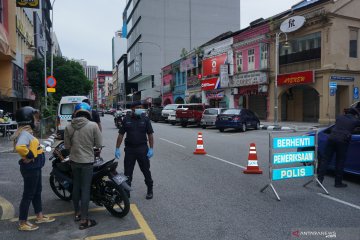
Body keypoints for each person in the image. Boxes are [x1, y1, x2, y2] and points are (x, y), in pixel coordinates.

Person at [12, 106, 55, 231]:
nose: (37, 122)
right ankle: (22, 222)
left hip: (35, 167)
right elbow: (20, 147)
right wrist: (30, 155)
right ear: (27, 119)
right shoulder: (25, 133)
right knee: (28, 194)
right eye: (35, 119)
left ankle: (39, 216)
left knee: (37, 192)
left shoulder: (27, 132)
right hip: (31, 168)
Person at [64, 102, 102, 230]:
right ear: (88, 113)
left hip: (74, 161)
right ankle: (84, 220)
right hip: (87, 162)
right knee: (85, 189)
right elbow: (99, 144)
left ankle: (77, 213)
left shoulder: (69, 126)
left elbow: (67, 146)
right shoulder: (93, 125)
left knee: (76, 187)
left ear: (75, 113)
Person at [114, 101, 154, 199]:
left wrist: (151, 148)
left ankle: (150, 190)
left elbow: (150, 134)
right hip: (130, 150)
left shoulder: (145, 119)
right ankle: (127, 192)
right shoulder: (126, 119)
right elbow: (121, 134)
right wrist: (117, 148)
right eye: (138, 107)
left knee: (145, 170)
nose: (140, 108)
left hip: (142, 149)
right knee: (128, 172)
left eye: (141, 107)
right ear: (132, 108)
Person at [318, 107, 360, 187]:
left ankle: (320, 180)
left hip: (331, 139)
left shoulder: (339, 117)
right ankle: (338, 183)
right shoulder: (355, 121)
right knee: (340, 162)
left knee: (325, 160)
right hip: (342, 141)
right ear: (355, 115)